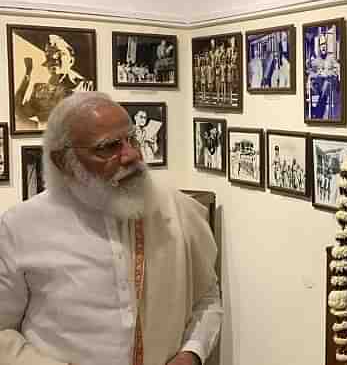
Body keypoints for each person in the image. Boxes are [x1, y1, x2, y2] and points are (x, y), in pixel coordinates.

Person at [0, 92, 222, 365]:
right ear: (63, 161)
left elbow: (207, 298)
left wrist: (192, 353)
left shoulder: (178, 210)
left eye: (131, 139)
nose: (131, 155)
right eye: (108, 147)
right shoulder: (20, 227)